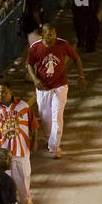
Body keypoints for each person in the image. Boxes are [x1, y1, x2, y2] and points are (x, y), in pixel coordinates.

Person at [27, 23, 85, 159]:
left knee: (57, 116)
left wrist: (81, 75)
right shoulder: (35, 47)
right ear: (43, 35)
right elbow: (29, 64)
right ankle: (50, 139)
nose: (52, 38)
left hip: (60, 86)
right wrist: (35, 79)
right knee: (46, 118)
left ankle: (54, 147)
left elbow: (76, 58)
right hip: (43, 88)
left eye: (54, 34)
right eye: (49, 35)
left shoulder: (63, 45)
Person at [0, 83, 36, 204]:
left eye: (3, 92)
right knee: (5, 180)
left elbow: (33, 125)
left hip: (21, 150)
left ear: (11, 92)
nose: (0, 95)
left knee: (24, 176)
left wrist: (35, 141)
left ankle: (26, 199)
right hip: (2, 152)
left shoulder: (23, 106)